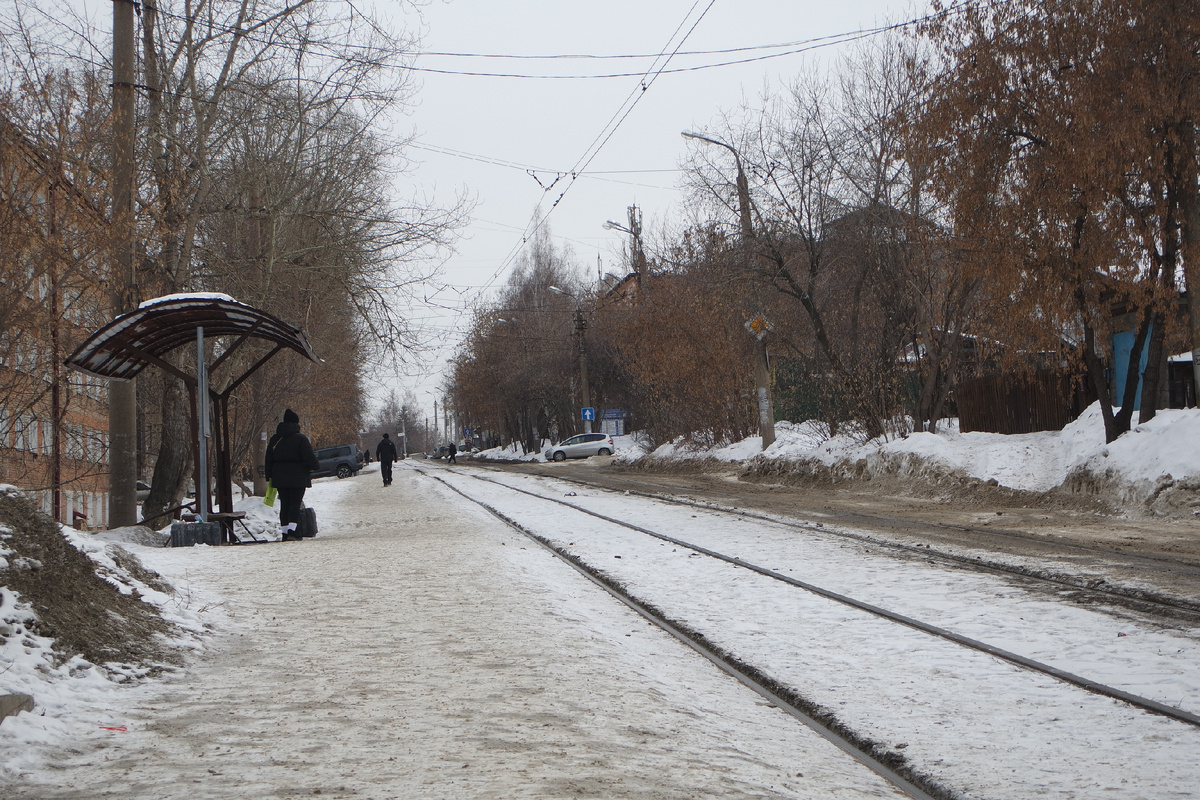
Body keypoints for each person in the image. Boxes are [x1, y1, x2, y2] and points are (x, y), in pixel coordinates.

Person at [264, 408, 319, 542]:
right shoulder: (301, 438)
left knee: (285, 504)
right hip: (298, 476)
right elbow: (309, 457)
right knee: (295, 504)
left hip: (279, 477)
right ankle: (292, 532)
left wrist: (269, 475)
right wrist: (314, 466)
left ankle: (284, 533)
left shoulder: (275, 439)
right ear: (296, 423)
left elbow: (268, 458)